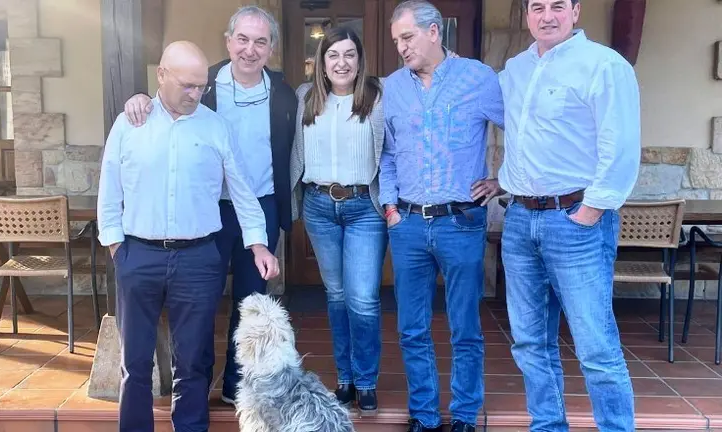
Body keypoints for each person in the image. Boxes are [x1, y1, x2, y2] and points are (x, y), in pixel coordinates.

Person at [97, 41, 280, 432]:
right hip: (138, 256)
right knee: (136, 362)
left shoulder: (215, 126)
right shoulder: (130, 123)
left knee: (194, 360)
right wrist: (116, 248)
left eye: (201, 86)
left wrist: (258, 242)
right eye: (187, 85)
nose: (196, 94)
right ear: (161, 75)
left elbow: (242, 191)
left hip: (198, 258)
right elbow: (109, 189)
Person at [121, 6, 297, 406]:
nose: (250, 50)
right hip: (206, 209)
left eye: (261, 42)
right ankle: (195, 383)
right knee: (200, 300)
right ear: (228, 40)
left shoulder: (284, 93)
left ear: (271, 48)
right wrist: (140, 98)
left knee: (251, 301)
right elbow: (168, 100)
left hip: (260, 207)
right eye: (243, 39)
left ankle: (237, 385)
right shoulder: (207, 83)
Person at [483, 0, 641, 430]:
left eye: (557, 5)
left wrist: (591, 210)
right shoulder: (514, 69)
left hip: (575, 221)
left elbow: (621, 146)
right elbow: (517, 130)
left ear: (576, 11)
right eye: (537, 6)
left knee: (595, 346)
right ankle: (547, 426)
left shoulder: (603, 66)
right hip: (519, 221)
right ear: (527, 14)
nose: (546, 15)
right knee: (531, 343)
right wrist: (505, 180)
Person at [379, 1, 504, 431]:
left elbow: (523, 132)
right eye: (397, 40)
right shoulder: (392, 87)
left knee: (464, 328)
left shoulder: (479, 79)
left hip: (461, 223)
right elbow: (388, 153)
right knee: (412, 329)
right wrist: (391, 208)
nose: (401, 47)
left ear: (434, 32)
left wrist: (502, 179)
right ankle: (425, 416)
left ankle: (465, 415)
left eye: (407, 37)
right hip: (408, 225)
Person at [289, 25, 385, 415]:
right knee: (337, 295)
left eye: (349, 54)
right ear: (322, 63)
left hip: (364, 207)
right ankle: (344, 378)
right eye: (333, 55)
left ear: (360, 61)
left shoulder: (378, 98)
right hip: (319, 205)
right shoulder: (304, 97)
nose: (341, 62)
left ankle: (366, 380)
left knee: (362, 298)